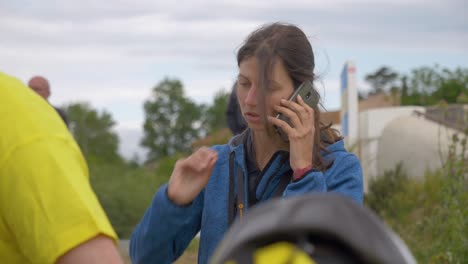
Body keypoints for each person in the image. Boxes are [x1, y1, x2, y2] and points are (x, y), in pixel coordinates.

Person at [130, 22, 363, 264]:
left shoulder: (340, 170)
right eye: (244, 83)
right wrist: (173, 203)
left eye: (268, 87)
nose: (251, 100)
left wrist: (304, 173)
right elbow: (144, 257)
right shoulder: (216, 165)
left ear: (302, 92)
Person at [0, 72, 123, 263]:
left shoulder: (23, 123)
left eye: (37, 89)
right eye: (30, 88)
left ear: (48, 93)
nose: (33, 93)